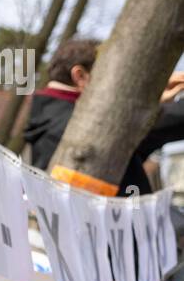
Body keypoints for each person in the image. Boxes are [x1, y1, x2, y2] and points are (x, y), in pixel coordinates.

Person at [25, 38, 184, 195]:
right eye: (113, 75)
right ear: (80, 76)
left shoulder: (54, 117)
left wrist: (149, 98)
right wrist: (144, 102)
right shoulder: (76, 122)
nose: (121, 84)